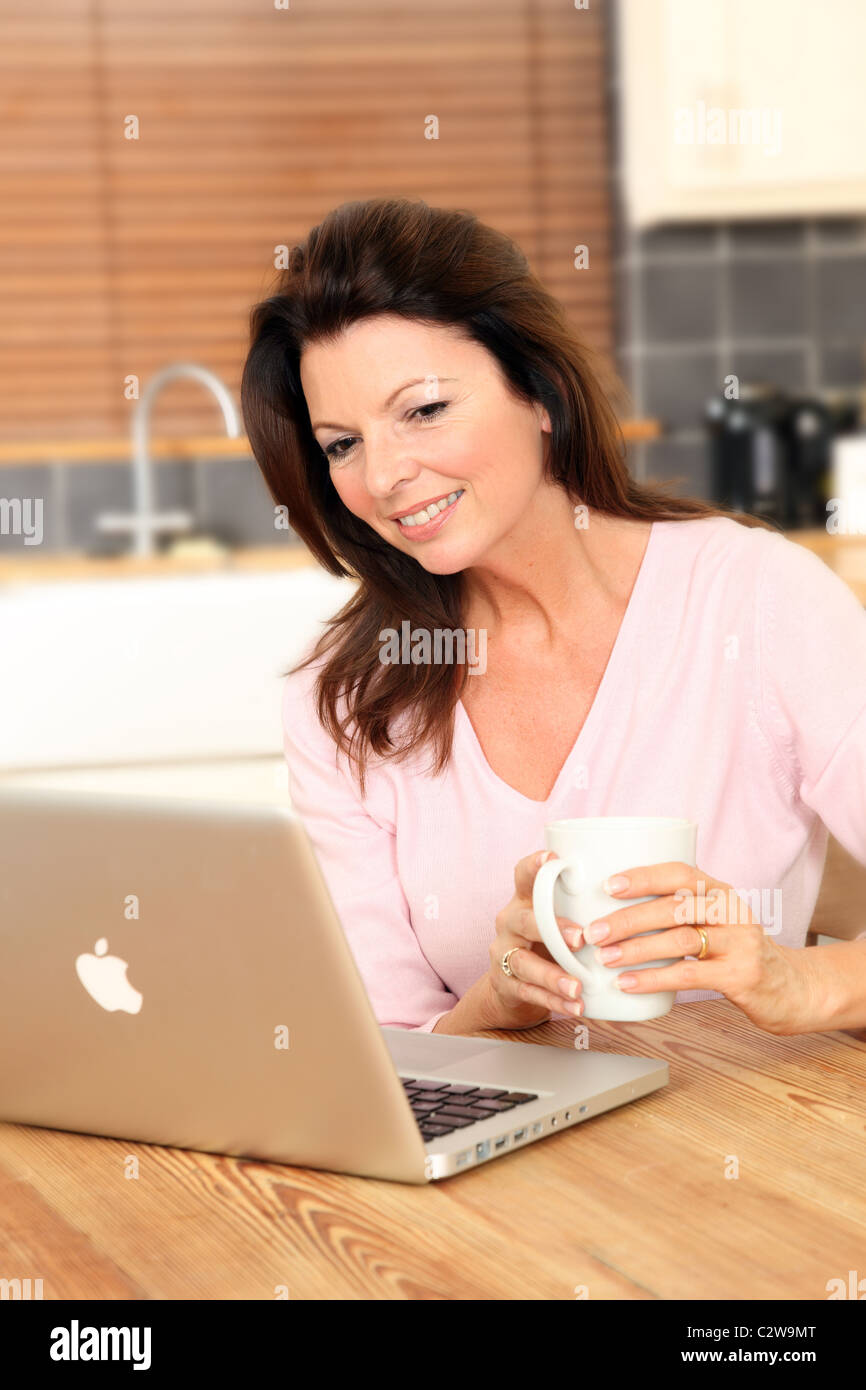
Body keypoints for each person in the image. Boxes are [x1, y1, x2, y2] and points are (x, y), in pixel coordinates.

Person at [241, 196, 866, 1038]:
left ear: (538, 393)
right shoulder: (345, 698)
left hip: (737, 1143)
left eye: (424, 411)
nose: (384, 476)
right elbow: (386, 1048)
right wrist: (494, 1005)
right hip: (497, 1163)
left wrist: (799, 983)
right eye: (342, 444)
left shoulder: (757, 600)